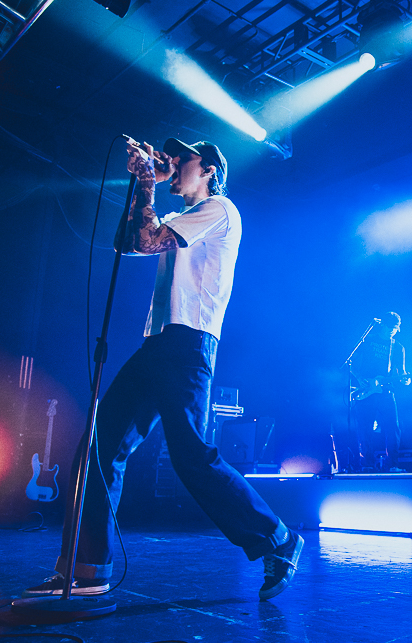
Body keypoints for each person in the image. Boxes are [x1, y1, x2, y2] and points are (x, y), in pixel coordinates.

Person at [25, 138, 302, 601]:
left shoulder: (221, 209)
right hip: (157, 344)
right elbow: (129, 243)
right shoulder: (177, 218)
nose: (173, 164)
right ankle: (89, 567)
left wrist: (150, 183)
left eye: (183, 159)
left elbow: (149, 239)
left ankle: (278, 539)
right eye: (170, 158)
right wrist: (142, 184)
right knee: (99, 447)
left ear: (209, 169)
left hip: (190, 342)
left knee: (191, 457)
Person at [350, 312, 409, 471]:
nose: (392, 330)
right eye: (390, 327)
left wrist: (406, 379)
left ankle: (393, 465)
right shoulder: (368, 340)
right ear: (382, 325)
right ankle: (367, 465)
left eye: (395, 328)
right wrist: (360, 378)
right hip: (366, 390)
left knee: (393, 427)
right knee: (364, 428)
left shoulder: (398, 347)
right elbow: (352, 363)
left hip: (386, 391)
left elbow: (402, 371)